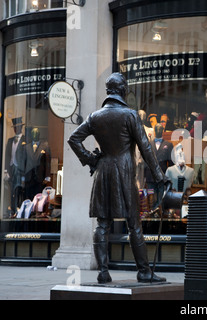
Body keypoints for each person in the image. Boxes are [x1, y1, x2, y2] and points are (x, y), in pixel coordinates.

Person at [68, 73, 169, 284]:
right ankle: (143, 271)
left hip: (103, 171)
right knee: (134, 224)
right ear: (122, 89)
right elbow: (146, 148)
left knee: (102, 224)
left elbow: (74, 139)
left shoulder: (95, 116)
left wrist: (90, 159)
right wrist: (159, 176)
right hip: (123, 173)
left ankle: (103, 272)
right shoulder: (130, 115)